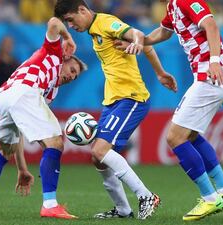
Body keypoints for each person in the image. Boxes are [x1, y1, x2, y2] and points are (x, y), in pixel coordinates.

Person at [54, 0, 177, 220]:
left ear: (82, 10)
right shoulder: (95, 32)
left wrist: (137, 40)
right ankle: (122, 210)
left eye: (71, 20)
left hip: (131, 98)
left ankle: (146, 196)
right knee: (98, 158)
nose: (71, 26)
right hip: (113, 101)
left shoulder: (106, 22)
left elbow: (138, 35)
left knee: (99, 151)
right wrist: (160, 73)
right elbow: (145, 44)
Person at [0, 17, 88, 219]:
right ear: (65, 59)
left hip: (5, 98)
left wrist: (22, 169)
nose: (71, 76)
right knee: (55, 142)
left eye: (75, 77)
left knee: (5, 151)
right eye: (72, 70)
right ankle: (50, 204)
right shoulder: (54, 53)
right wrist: (68, 37)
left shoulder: (51, 92)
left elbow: (20, 128)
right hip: (23, 92)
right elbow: (54, 22)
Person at [140, 0, 223, 221]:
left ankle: (210, 197)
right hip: (216, 77)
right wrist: (141, 41)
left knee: (174, 137)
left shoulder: (186, 0)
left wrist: (214, 61)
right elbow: (164, 33)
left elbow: (211, 25)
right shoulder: (172, 7)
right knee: (190, 135)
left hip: (212, 76)